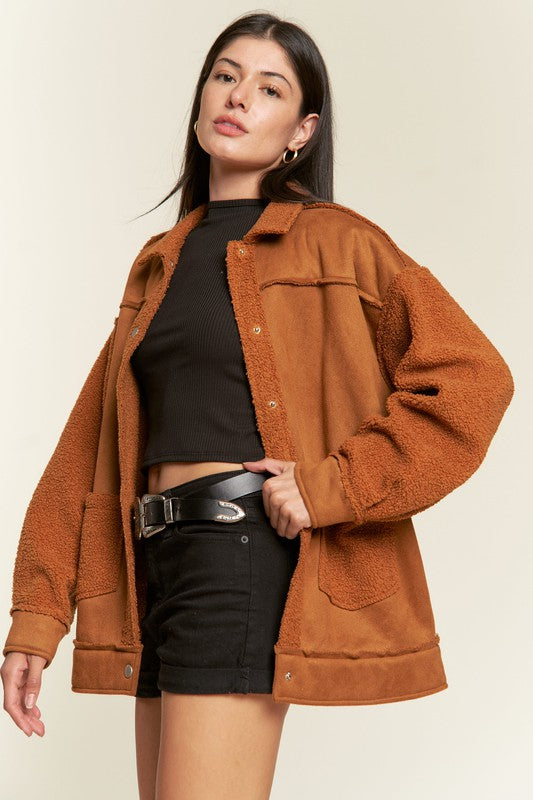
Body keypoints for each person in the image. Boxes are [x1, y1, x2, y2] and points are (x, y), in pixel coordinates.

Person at [1, 11, 514, 800]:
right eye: (224, 75)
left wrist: (331, 485)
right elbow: (88, 447)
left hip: (238, 553)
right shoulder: (162, 261)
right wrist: (35, 619)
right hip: (153, 566)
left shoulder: (339, 243)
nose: (238, 96)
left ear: (301, 131)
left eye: (269, 88)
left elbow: (473, 379)